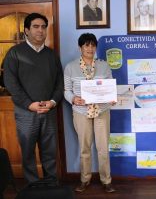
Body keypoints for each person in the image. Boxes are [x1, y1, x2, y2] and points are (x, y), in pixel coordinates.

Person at [3, 13, 63, 184]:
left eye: (44, 27)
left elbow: (60, 82)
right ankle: (33, 187)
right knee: (28, 153)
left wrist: (52, 102)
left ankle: (51, 185)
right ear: (26, 30)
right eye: (36, 27)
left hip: (48, 111)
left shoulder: (51, 55)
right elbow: (11, 83)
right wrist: (29, 104)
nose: (40, 30)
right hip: (25, 114)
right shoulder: (15, 53)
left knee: (50, 152)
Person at [64, 33, 116, 193]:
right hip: (81, 111)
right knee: (84, 148)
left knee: (102, 148)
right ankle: (84, 179)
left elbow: (109, 87)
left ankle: (106, 180)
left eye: (93, 45)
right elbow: (66, 90)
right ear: (80, 47)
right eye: (86, 45)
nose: (90, 48)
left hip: (102, 110)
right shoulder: (70, 67)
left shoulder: (104, 66)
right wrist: (73, 99)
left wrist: (111, 97)